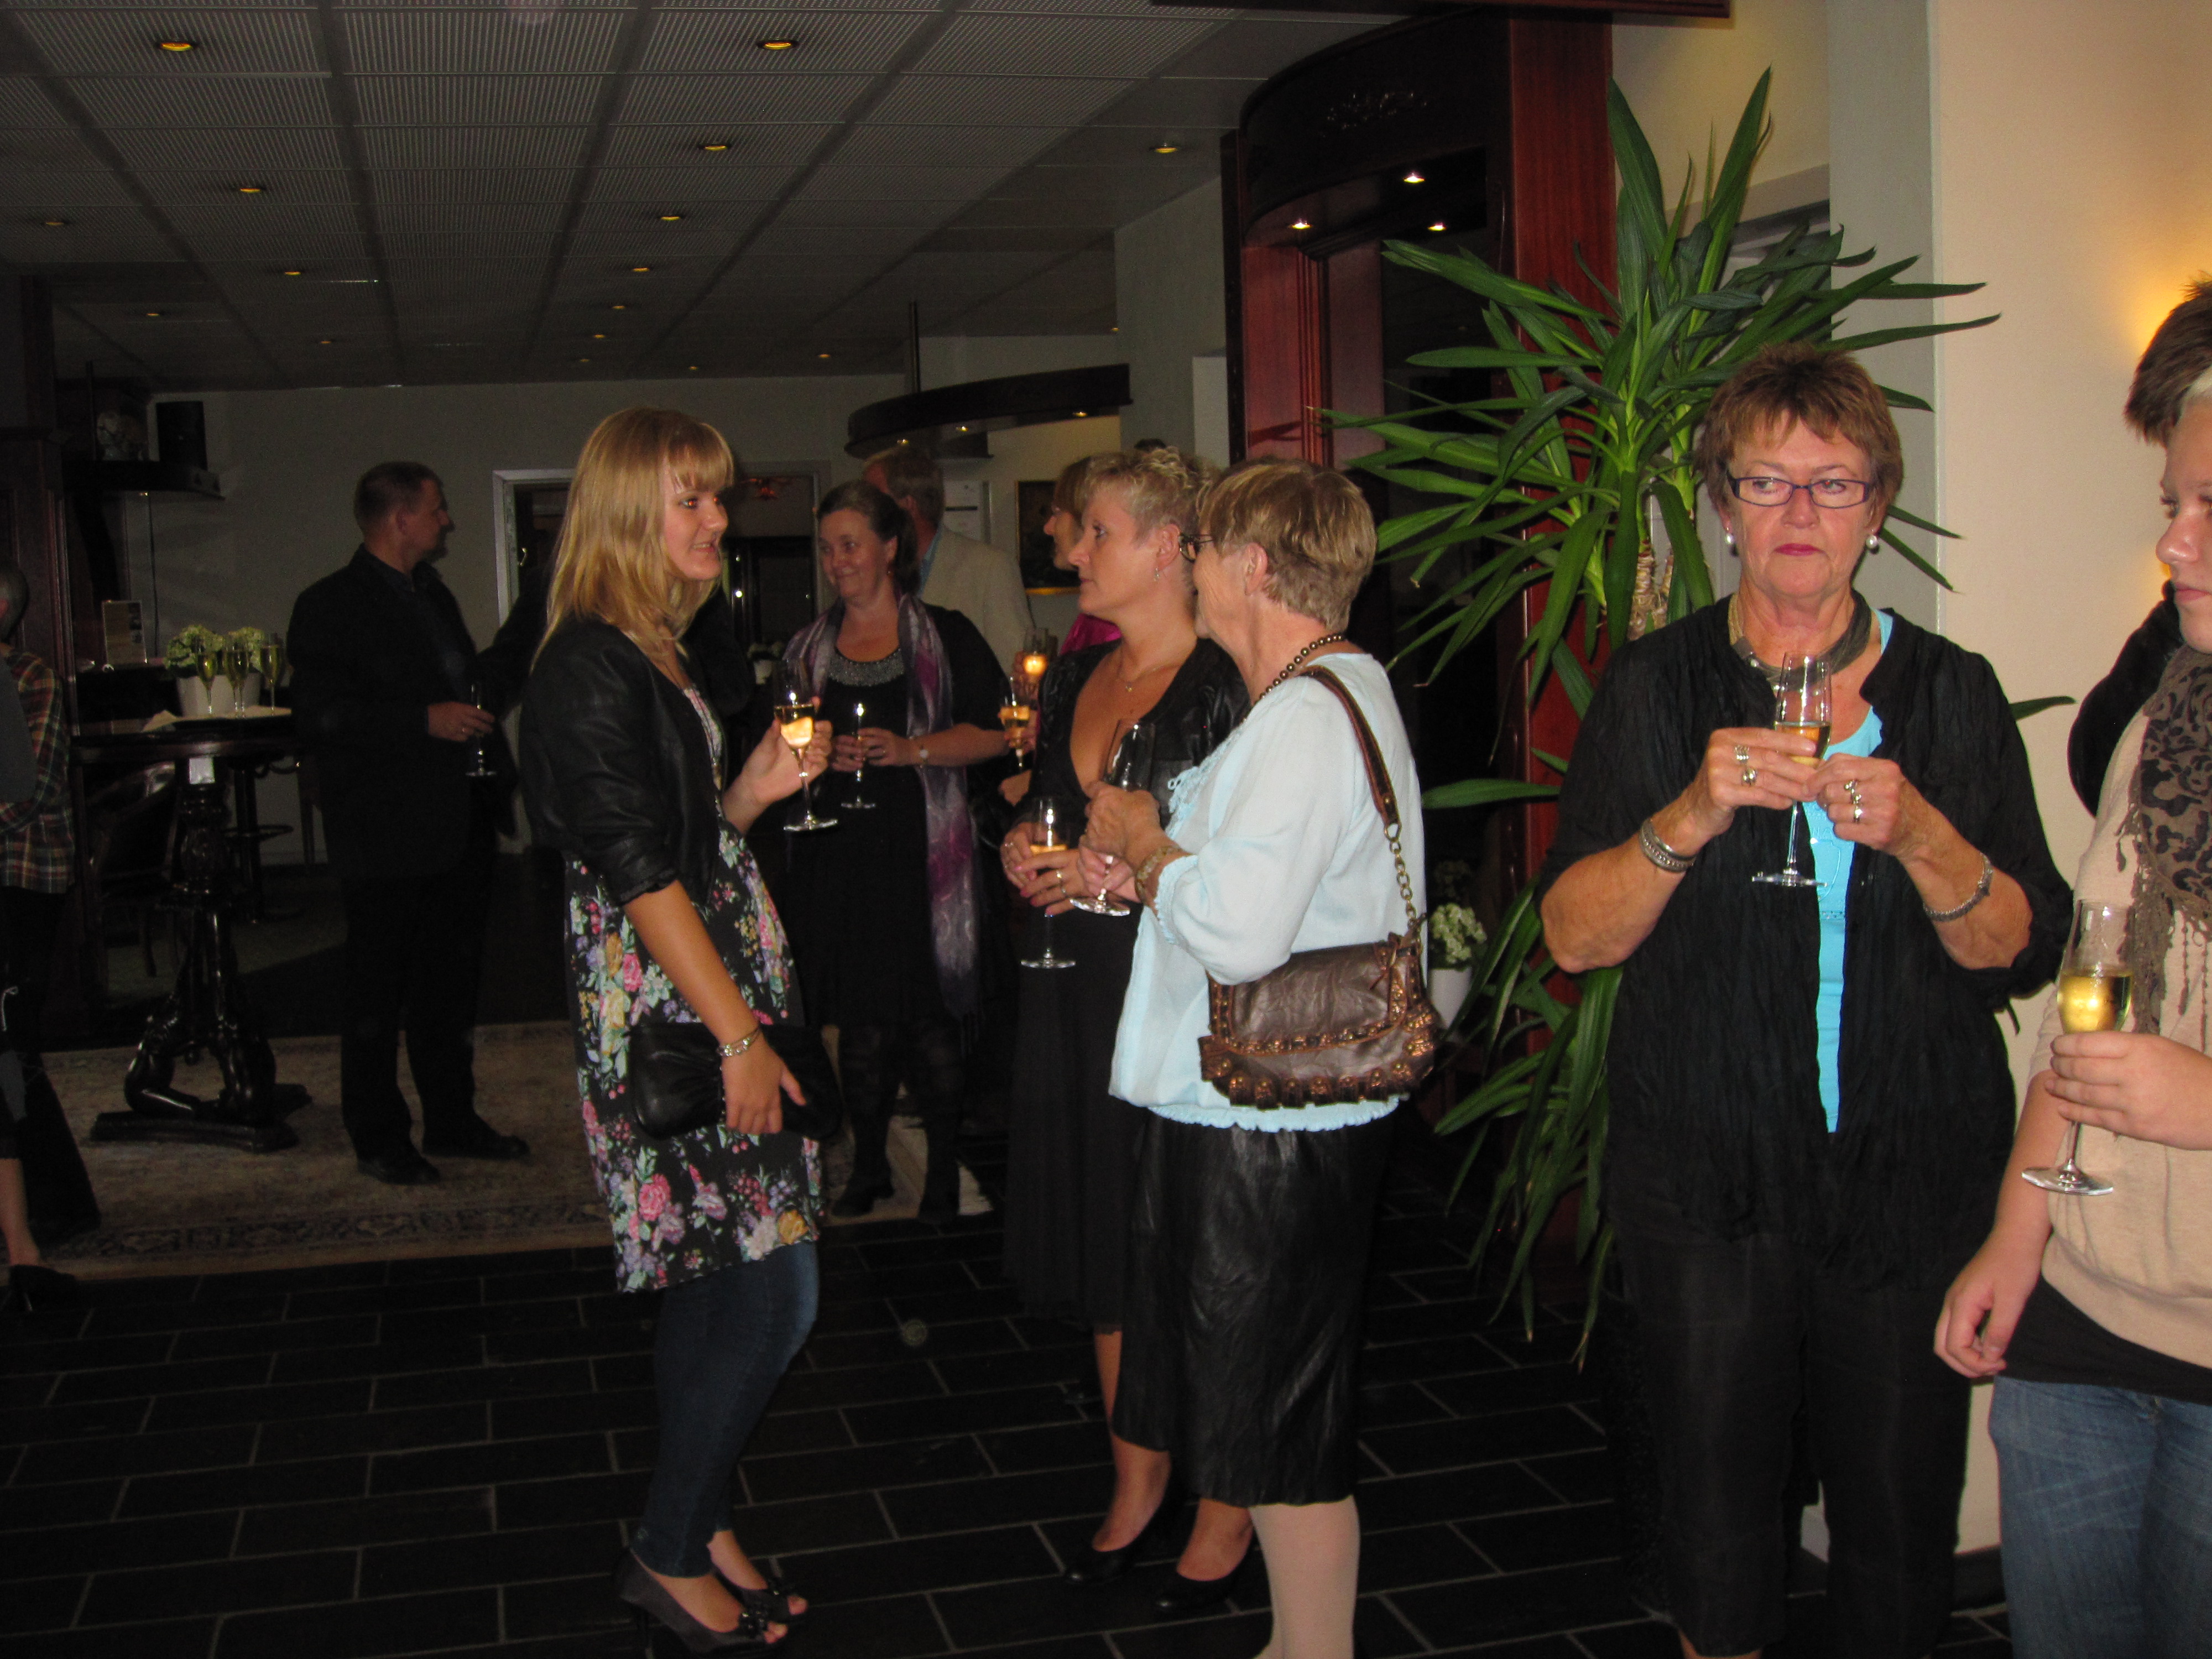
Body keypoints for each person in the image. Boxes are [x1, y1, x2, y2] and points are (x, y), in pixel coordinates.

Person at [1536, 342, 2070, 1659]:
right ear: (1720, 504)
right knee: (1714, 1518)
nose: (1795, 514)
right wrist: (1689, 813)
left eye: (1830, 484)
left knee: (1896, 1517)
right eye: (1764, 481)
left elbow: (2016, 948)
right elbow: (1571, 935)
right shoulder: (1656, 687)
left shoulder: (1949, 692)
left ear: (1875, 507)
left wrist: (1922, 835)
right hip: (1705, 1174)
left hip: (1907, 1174)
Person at [1076, 457, 1419, 1659]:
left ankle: (1312, 1649)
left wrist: (1146, 845)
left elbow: (1238, 929)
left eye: (1206, 548)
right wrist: (1156, 865)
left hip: (1267, 1128)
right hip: (1269, 1115)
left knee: (1277, 1419)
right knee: (1274, 1417)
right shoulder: (1329, 695)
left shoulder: (1305, 718)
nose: (1194, 567)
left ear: (1254, 567)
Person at [521, 407, 830, 1653]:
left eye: (717, 496)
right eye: (689, 499)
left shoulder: (657, 648)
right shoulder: (587, 663)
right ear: (622, 514)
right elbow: (638, 877)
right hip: (677, 1005)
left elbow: (686, 841)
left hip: (696, 983)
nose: (717, 519)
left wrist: (746, 792)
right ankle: (664, 1547)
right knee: (773, 1293)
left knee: (715, 1280)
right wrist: (740, 1038)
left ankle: (699, 1524)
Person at [1938, 280, 2212, 1659]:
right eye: (2173, 501)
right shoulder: (2163, 723)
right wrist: (2017, 1234)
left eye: (2211, 506)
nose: (2172, 542)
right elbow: (2082, 1002)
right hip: (2082, 1326)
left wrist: (2199, 1100)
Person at [998, 447, 1253, 1608]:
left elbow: (1250, 862)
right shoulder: (1073, 676)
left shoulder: (1228, 682)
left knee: (1197, 1241)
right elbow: (1045, 809)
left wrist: (1127, 873)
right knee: (1105, 1230)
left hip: (1182, 984)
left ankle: (1227, 1496)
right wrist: (1024, 846)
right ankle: (1136, 1476)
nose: (1073, 551)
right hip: (1074, 981)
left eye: (1094, 531)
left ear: (1165, 546)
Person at [288, 463, 529, 1186]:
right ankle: (378, 1136)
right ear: (400, 519)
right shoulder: (330, 604)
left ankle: (452, 1119)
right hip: (384, 830)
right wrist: (422, 720)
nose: (446, 519)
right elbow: (320, 715)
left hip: (457, 820)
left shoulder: (432, 593)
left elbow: (458, 684)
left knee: (449, 986)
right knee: (376, 991)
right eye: (437, 508)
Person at [780, 481, 1006, 1220]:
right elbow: (778, 751)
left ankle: (941, 1173)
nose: (837, 562)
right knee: (861, 1024)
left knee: (929, 1024)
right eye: (827, 549)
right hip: (840, 863)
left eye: (850, 545)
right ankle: (870, 1167)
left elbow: (997, 733)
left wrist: (912, 749)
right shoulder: (806, 649)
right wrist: (817, 756)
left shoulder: (947, 634)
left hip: (925, 865)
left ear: (888, 547)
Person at [0, 565, 90, 1313]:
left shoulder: (29, 676)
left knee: (14, 1045)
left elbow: (27, 791)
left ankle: (57, 1204)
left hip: (22, 880)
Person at [864, 445, 1033, 670]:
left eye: (874, 500)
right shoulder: (874, 574)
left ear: (908, 505)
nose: (864, 511)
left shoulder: (989, 568)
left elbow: (1017, 671)